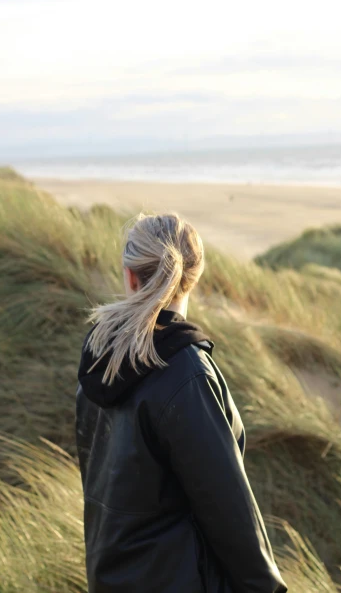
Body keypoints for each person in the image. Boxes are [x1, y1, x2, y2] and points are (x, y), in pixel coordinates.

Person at [75, 211, 287, 593]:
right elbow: (229, 511)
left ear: (130, 276)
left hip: (108, 578)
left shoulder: (98, 360)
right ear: (195, 275)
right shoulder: (186, 374)